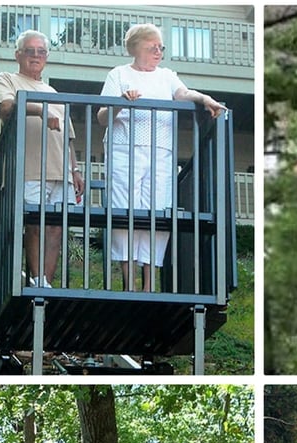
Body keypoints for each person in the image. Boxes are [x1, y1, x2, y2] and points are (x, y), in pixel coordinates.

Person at [98, 23, 225, 292]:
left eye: (161, 47)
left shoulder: (167, 76)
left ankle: (149, 284)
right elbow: (101, 117)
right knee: (124, 210)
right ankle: (129, 284)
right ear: (135, 48)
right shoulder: (118, 74)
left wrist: (205, 98)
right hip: (124, 150)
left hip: (161, 152)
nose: (158, 51)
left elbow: (183, 93)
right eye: (152, 47)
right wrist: (121, 101)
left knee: (158, 211)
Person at [0, 30, 84, 288]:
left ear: (47, 56)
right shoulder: (8, 79)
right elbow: (6, 108)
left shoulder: (54, 92)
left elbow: (68, 138)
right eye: (29, 51)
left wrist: (75, 169)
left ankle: (46, 284)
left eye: (41, 51)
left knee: (56, 227)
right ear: (18, 55)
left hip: (61, 171)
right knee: (34, 222)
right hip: (30, 168)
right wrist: (40, 109)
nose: (35, 56)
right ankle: (36, 280)